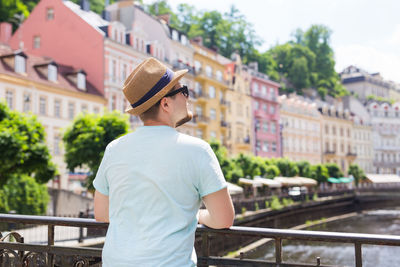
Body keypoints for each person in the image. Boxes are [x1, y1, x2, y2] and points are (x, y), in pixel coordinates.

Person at [93, 57, 235, 266]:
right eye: (183, 91)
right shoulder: (197, 150)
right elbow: (223, 219)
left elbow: (102, 214)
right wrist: (197, 215)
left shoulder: (114, 149)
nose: (188, 97)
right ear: (166, 103)